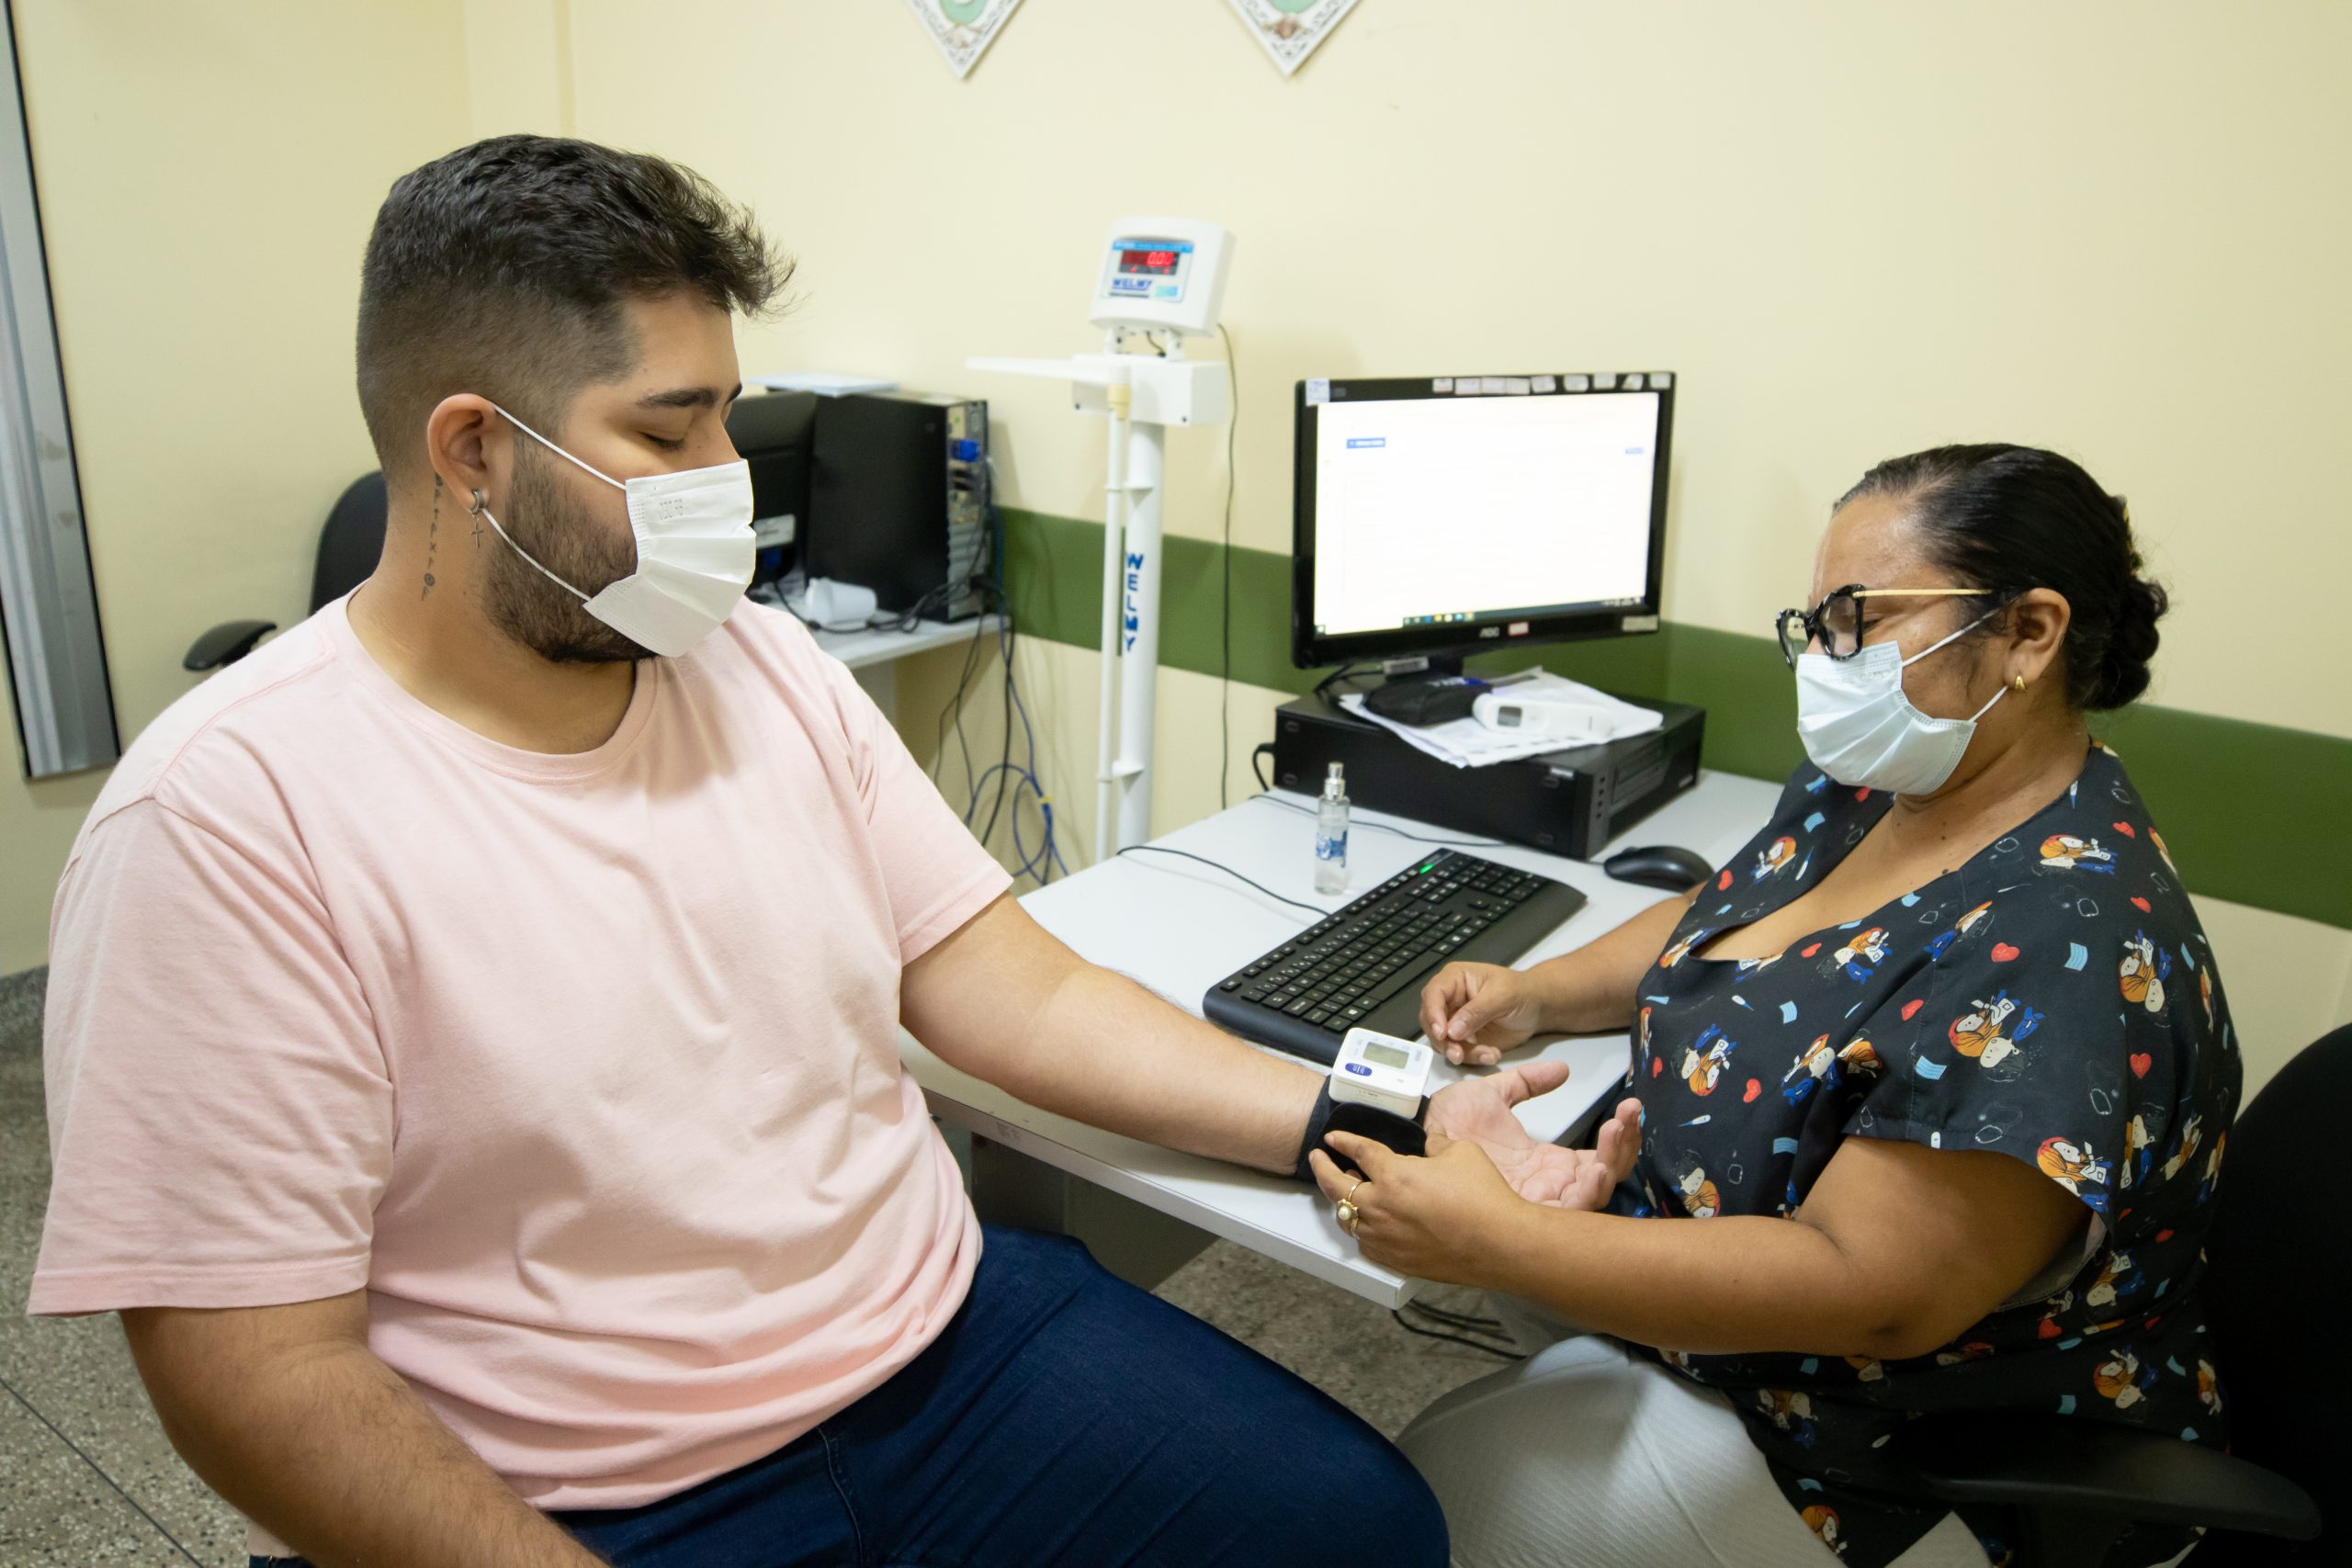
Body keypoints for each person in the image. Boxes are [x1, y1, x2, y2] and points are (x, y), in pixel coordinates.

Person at [25, 135, 1558, 1567]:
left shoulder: (758, 667)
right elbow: (256, 1370)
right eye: (667, 427)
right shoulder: (230, 822)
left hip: (941, 1347)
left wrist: (1382, 1118)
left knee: (1365, 1529)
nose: (728, 480)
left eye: (728, 416)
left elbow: (1014, 994)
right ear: (474, 453)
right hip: (584, 1485)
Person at [1309, 446, 2237, 1568]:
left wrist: (1507, 1242)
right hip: (1716, 1324)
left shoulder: (2068, 940)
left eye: (1859, 619)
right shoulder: (1888, 781)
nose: (1826, 660)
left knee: (1399, 1517)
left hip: (1878, 1442)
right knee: (1423, 1460)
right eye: (1816, 626)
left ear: (2028, 634)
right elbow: (1734, 912)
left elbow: (1872, 1293)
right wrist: (1540, 992)